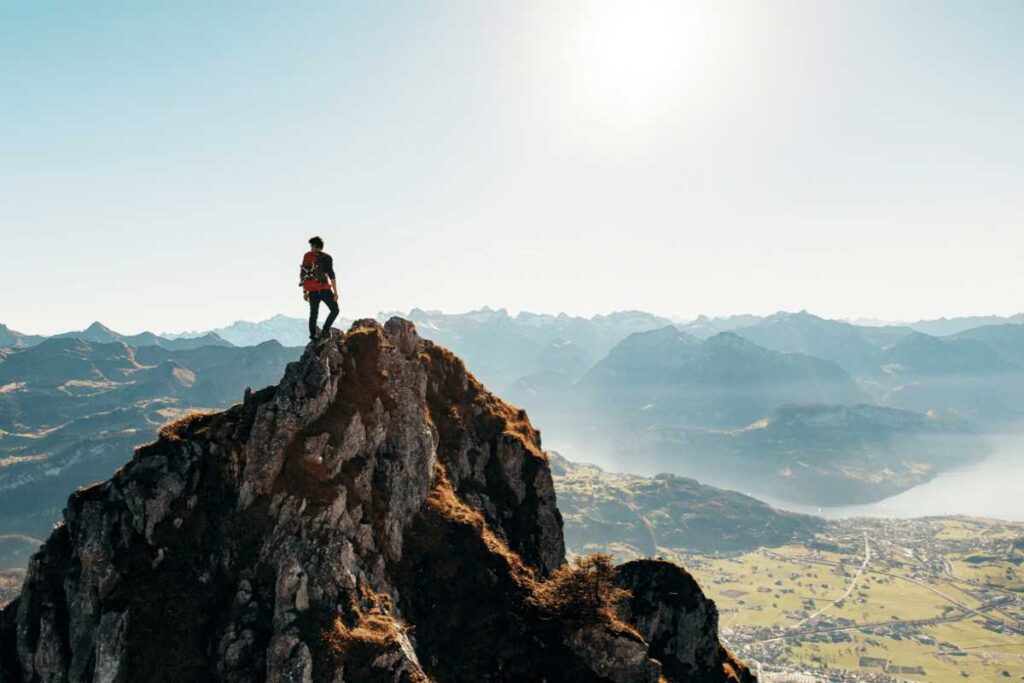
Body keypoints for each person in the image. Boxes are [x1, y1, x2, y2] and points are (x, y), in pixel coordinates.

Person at [299, 236, 339, 341]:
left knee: (313, 314)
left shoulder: (307, 256)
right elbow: (332, 276)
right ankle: (325, 330)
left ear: (315, 246)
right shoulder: (327, 258)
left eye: (311, 246)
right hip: (324, 289)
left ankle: (313, 336)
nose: (310, 248)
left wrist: (304, 291)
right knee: (335, 310)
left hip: (312, 291)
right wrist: (335, 293)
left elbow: (303, 274)